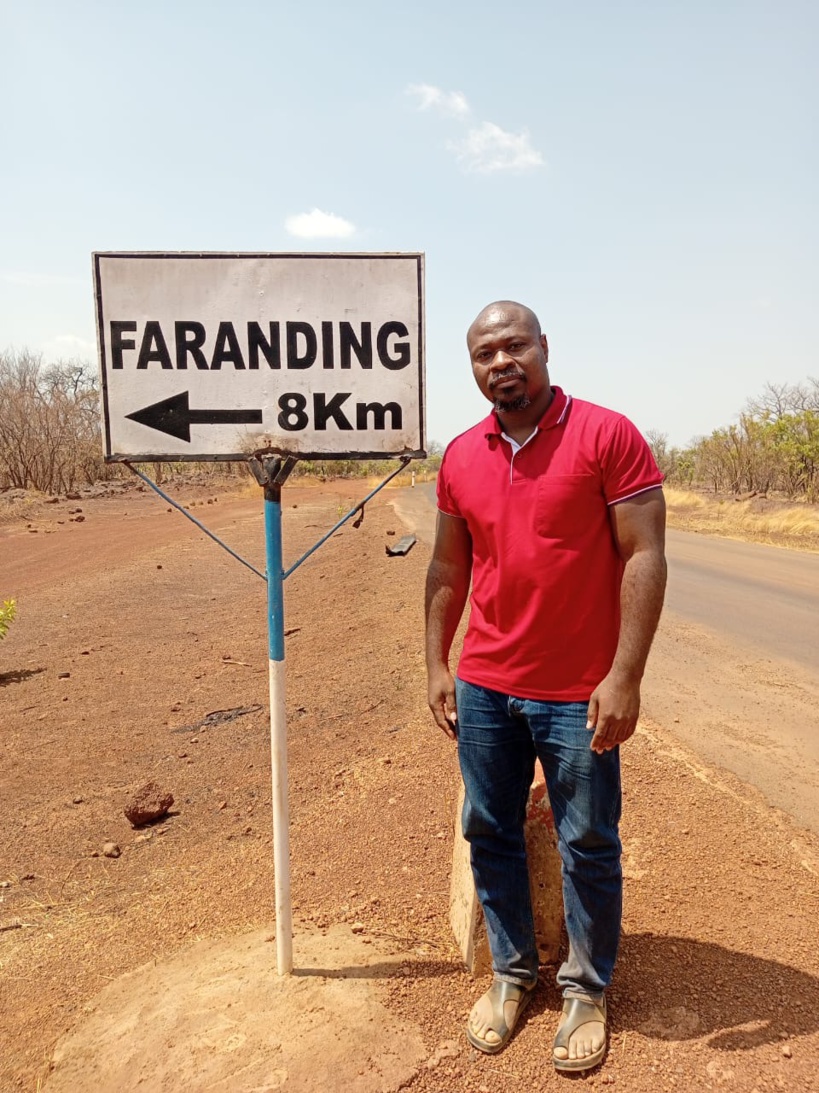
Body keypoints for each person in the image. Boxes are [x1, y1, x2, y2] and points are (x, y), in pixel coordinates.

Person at [425, 301, 666, 1072]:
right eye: (484, 352)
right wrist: (437, 665)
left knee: (587, 840)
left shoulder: (606, 434)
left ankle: (586, 989)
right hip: (486, 685)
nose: (501, 361)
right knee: (489, 831)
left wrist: (624, 675)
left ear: (543, 348)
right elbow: (447, 566)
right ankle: (510, 974)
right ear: (473, 367)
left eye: (513, 345)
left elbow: (644, 555)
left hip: (577, 692)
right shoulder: (461, 454)